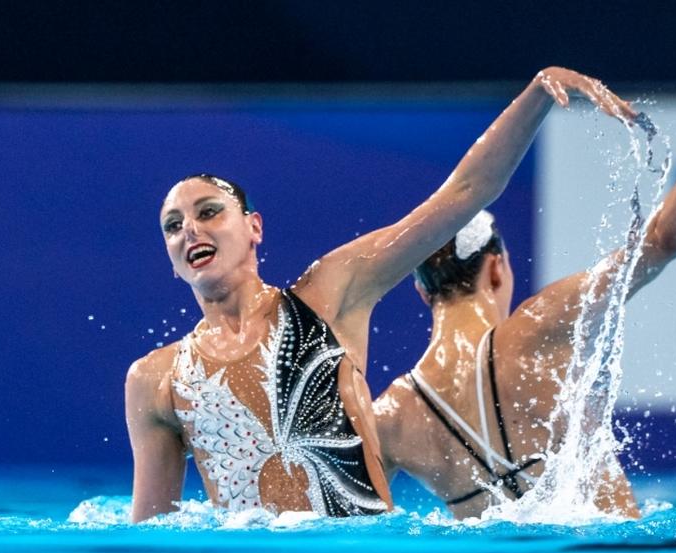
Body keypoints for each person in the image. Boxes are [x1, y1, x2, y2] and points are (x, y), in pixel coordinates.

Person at [124, 67, 638, 523]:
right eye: (173, 226)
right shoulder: (156, 380)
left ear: (254, 227)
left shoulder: (326, 296)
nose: (190, 229)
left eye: (209, 212)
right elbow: (152, 535)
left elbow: (462, 195)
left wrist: (537, 94)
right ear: (171, 261)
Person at [373, 108, 676, 519]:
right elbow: (663, 241)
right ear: (496, 269)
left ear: (420, 293)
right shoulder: (539, 324)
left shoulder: (390, 418)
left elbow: (358, 526)